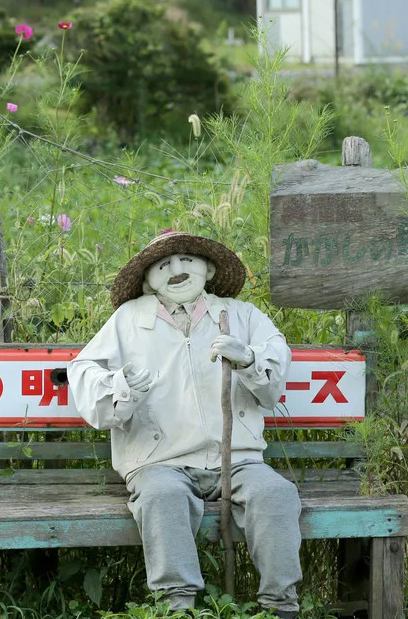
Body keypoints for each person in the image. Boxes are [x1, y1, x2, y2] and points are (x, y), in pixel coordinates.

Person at [68, 230, 301, 617]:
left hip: (238, 460)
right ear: (147, 281)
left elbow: (274, 371)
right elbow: (83, 373)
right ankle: (177, 608)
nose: (176, 269)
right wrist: (120, 385)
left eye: (187, 260)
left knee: (276, 495)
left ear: (208, 269)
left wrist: (247, 360)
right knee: (162, 499)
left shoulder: (240, 315)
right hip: (159, 462)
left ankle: (281, 606)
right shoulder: (127, 320)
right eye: (163, 265)